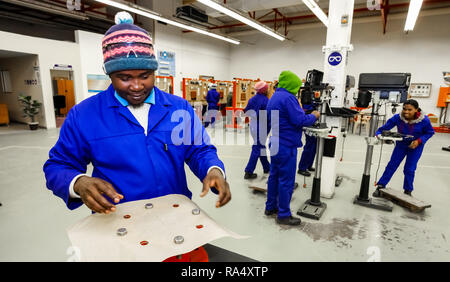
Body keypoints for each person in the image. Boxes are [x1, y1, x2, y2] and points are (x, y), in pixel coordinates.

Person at [43, 12, 231, 215]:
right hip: (117, 219)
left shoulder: (179, 108)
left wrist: (213, 170)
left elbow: (199, 150)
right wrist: (78, 182)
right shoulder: (84, 115)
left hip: (175, 216)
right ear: (109, 74)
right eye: (124, 77)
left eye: (145, 76)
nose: (136, 86)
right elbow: (58, 165)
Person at [265, 71, 320, 226]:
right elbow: (299, 120)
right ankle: (283, 214)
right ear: (292, 85)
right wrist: (314, 116)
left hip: (274, 141)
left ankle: (270, 208)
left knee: (274, 176)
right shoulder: (289, 98)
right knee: (286, 181)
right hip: (286, 145)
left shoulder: (274, 96)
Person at [373, 99, 434, 197]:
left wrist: (419, 141)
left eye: (409, 110)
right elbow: (383, 129)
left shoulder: (424, 120)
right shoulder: (398, 118)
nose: (406, 112)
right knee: (391, 165)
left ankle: (408, 191)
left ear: (416, 110)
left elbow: (430, 132)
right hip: (401, 145)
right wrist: (379, 135)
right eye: (404, 109)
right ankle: (381, 185)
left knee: (409, 169)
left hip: (415, 147)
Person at [243, 81, 271, 179]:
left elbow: (246, 111)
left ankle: (267, 167)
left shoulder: (252, 99)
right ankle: (248, 171)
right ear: (265, 90)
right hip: (262, 126)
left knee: (260, 146)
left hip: (253, 125)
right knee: (257, 148)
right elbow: (268, 115)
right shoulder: (266, 100)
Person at [297, 99, 318, 177]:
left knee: (314, 145)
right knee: (309, 145)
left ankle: (309, 165)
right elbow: (306, 109)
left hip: (314, 120)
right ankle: (302, 168)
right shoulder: (307, 95)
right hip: (309, 122)